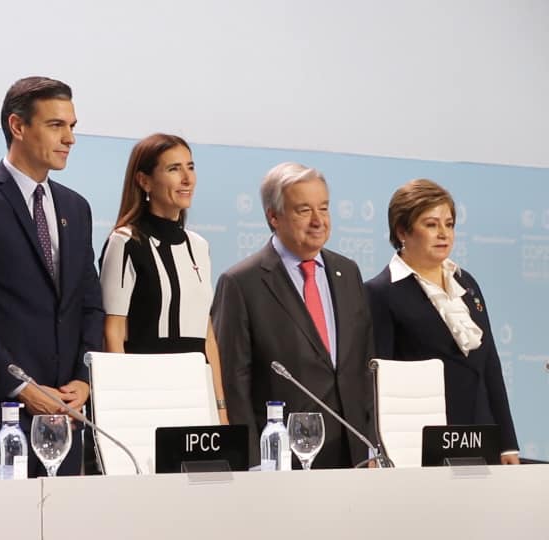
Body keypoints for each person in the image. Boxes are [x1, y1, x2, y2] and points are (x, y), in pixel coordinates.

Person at [0, 76, 104, 478]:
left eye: (72, 126)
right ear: (18, 126)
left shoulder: (76, 208)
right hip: (0, 420)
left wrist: (83, 380)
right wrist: (22, 388)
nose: (70, 138)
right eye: (56, 125)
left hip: (65, 417)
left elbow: (89, 304)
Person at [211, 162, 374, 469]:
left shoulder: (348, 272)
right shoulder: (242, 283)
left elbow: (365, 365)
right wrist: (252, 462)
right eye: (304, 210)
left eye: (323, 208)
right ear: (274, 217)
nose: (318, 221)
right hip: (283, 457)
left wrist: (371, 444)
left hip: (353, 452)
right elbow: (233, 383)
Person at [365, 179, 519, 464]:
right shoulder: (380, 292)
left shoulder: (466, 282)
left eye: (449, 224)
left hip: (481, 435)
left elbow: (490, 365)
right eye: (431, 224)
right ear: (402, 231)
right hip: (421, 443)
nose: (443, 234)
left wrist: (508, 444)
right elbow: (377, 380)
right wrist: (376, 449)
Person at [100, 133, 228, 424]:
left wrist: (220, 408)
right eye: (174, 169)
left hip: (197, 395)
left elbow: (207, 334)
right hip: (144, 396)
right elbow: (113, 332)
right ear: (144, 181)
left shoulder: (200, 246)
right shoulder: (125, 242)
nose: (187, 179)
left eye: (190, 167)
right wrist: (121, 408)